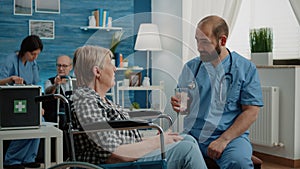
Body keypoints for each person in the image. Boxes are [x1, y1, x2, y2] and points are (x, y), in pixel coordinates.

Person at [71, 45, 207, 169]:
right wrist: (157, 142)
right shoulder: (85, 101)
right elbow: (115, 153)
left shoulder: (102, 100)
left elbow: (123, 140)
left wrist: (159, 139)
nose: (115, 68)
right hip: (119, 165)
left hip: (129, 156)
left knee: (187, 139)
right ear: (97, 71)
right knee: (187, 149)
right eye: (110, 64)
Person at [170, 15, 264, 169]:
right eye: (197, 40)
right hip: (194, 135)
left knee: (239, 163)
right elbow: (184, 108)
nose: (199, 47)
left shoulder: (245, 68)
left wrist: (224, 140)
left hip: (231, 137)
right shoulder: (191, 68)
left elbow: (251, 112)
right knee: (169, 156)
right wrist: (179, 105)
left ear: (223, 41)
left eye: (205, 42)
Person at [0, 35, 43, 169]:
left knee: (39, 120)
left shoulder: (33, 63)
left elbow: (36, 85)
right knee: (23, 122)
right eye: (32, 54)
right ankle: (12, 160)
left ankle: (29, 158)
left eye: (37, 54)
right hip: (10, 103)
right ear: (24, 50)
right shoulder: (10, 60)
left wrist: (39, 107)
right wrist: (10, 79)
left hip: (28, 102)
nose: (34, 57)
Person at [43, 55, 73, 127]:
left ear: (70, 67)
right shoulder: (50, 81)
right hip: (55, 113)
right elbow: (47, 93)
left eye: (64, 66)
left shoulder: (74, 82)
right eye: (59, 65)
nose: (61, 68)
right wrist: (56, 85)